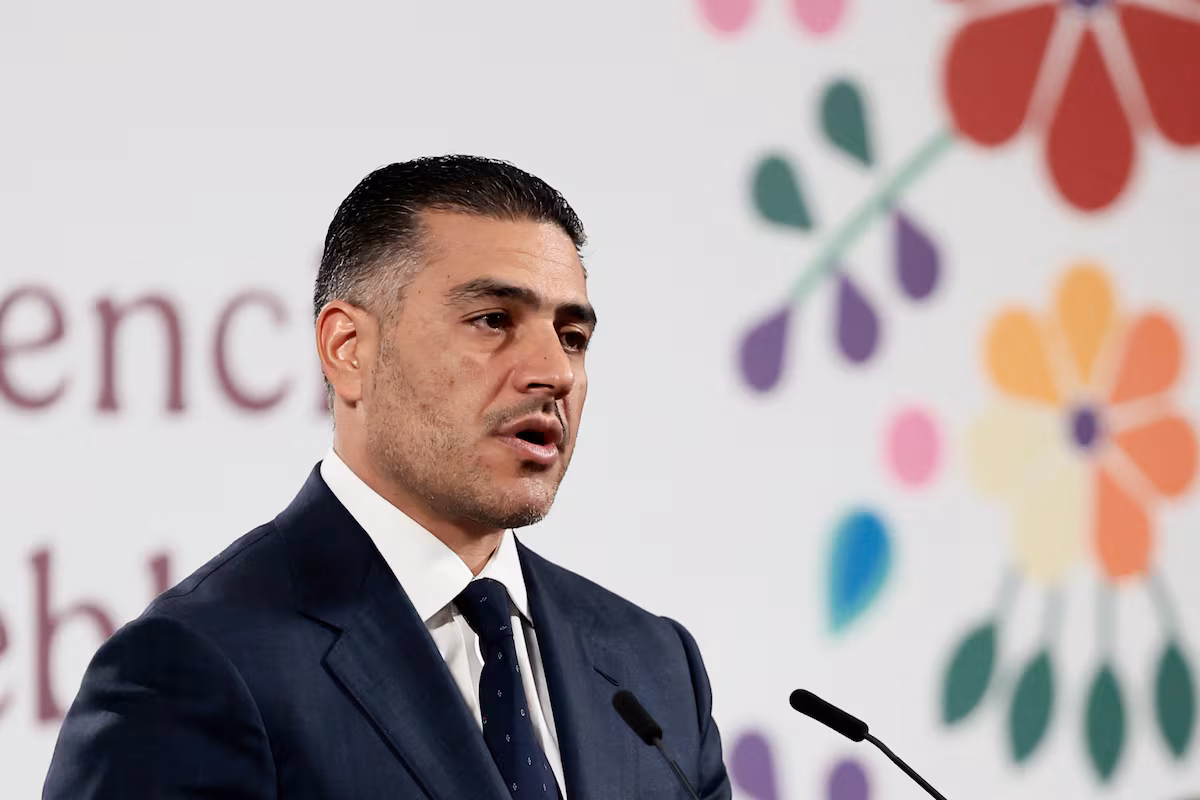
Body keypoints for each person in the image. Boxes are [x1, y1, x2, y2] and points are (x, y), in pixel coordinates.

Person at [43, 156, 731, 799]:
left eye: (572, 338)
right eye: (493, 321)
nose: (554, 372)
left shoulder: (655, 667)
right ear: (348, 349)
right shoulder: (195, 665)